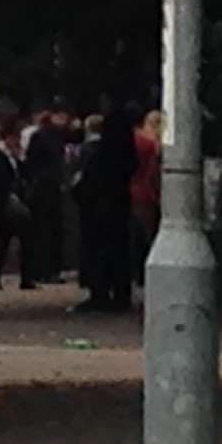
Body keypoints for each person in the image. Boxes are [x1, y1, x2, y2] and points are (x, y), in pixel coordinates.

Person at [71, 104, 137, 313]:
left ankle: (100, 293)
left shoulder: (101, 154)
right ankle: (120, 294)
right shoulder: (126, 152)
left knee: (98, 251)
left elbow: (89, 182)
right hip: (119, 205)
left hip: (98, 208)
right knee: (119, 250)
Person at [0, 119, 36, 291]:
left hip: (18, 202)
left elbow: (26, 175)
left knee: (26, 241)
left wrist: (21, 158)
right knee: (2, 242)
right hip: (3, 204)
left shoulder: (16, 158)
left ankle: (26, 278)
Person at [23, 110, 67, 284]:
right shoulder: (50, 137)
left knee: (45, 230)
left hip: (45, 188)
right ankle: (49, 270)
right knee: (49, 230)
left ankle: (45, 270)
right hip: (48, 188)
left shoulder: (43, 137)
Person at [72, 114, 104, 290]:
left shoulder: (87, 149)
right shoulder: (104, 148)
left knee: (88, 240)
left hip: (89, 201)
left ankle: (89, 278)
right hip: (100, 200)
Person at [131, 108, 162, 286]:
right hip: (149, 194)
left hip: (134, 191)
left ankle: (139, 276)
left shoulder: (137, 141)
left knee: (138, 237)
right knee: (150, 236)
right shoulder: (154, 146)